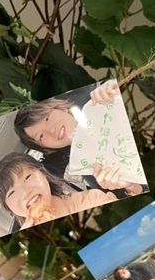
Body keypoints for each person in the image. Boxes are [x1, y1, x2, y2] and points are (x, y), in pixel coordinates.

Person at [13, 81, 146, 196]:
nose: (51, 130)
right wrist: (131, 187)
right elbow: (130, 193)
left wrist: (114, 86)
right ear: (46, 148)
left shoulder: (99, 100)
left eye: (47, 118)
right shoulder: (87, 168)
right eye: (41, 136)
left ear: (60, 108)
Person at [0, 153, 116, 232]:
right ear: (9, 209)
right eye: (11, 193)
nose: (25, 193)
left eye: (27, 177)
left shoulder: (93, 200)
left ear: (44, 173)